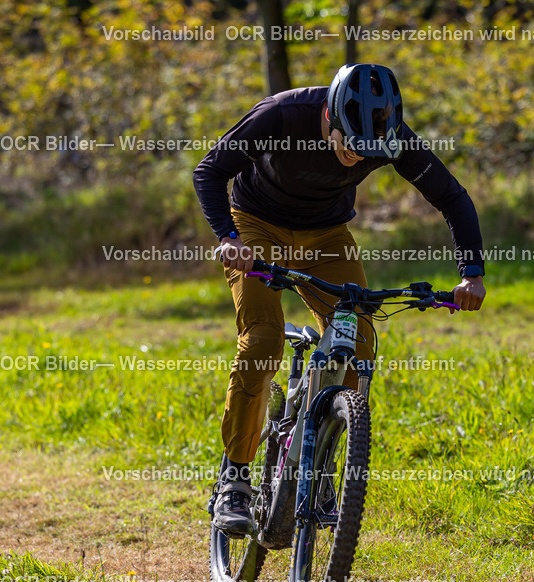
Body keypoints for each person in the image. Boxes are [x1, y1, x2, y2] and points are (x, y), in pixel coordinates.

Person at [193, 63, 486, 534]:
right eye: (348, 144)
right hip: (254, 227)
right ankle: (235, 480)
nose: (355, 157)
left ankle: (319, 462)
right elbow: (209, 172)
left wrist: (471, 274)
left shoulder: (390, 137)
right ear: (329, 117)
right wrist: (228, 237)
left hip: (327, 236)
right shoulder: (282, 116)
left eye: (366, 151)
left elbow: (452, 198)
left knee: (361, 342)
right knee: (263, 340)